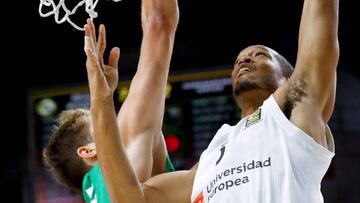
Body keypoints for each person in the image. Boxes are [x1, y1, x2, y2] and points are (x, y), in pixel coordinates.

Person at [88, 0, 339, 202]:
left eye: (259, 55)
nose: (244, 60)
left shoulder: (295, 113)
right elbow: (133, 198)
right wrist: (101, 101)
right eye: (239, 59)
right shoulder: (210, 159)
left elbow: (320, 24)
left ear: (288, 79)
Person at [43, 0, 179, 200]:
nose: (118, 122)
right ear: (90, 151)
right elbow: (159, 22)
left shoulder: (97, 193)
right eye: (109, 122)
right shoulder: (121, 155)